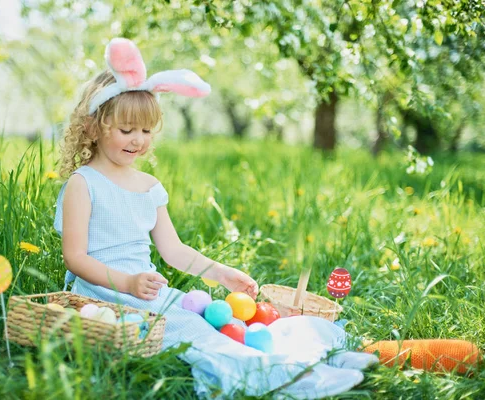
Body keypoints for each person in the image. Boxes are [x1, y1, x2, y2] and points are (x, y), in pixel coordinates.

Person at [54, 38, 378, 399]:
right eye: (126, 130)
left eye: (146, 130)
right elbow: (76, 257)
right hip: (104, 296)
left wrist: (219, 273)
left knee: (217, 322)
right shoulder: (84, 184)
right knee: (195, 334)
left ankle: (317, 358)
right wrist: (128, 284)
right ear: (93, 127)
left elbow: (173, 250)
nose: (138, 141)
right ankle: (286, 379)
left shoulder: (148, 186)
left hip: (146, 291)